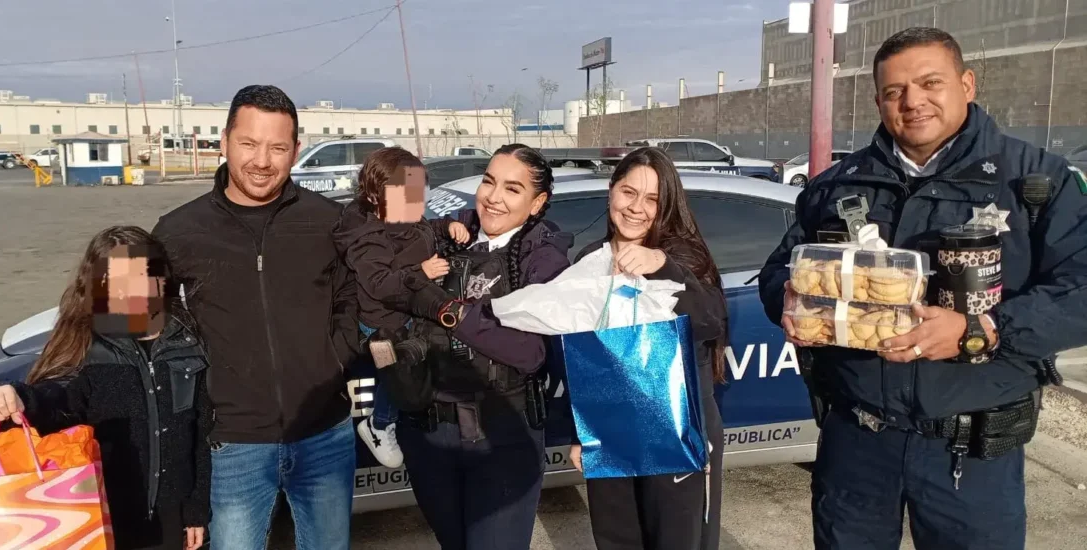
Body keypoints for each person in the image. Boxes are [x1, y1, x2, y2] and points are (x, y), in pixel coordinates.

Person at [757, 27, 1087, 550]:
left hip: (971, 456)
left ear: (967, 84)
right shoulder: (838, 185)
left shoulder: (1035, 182)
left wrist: (981, 328)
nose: (912, 101)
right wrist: (793, 303)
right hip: (857, 443)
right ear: (878, 101)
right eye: (894, 91)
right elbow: (780, 269)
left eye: (930, 83)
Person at [151, 85, 360, 550]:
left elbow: (352, 298)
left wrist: (336, 361)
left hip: (325, 435)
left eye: (278, 148)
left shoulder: (329, 221)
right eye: (249, 143)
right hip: (232, 443)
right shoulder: (178, 231)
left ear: (296, 151)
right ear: (224, 141)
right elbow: (143, 326)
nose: (262, 161)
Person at [372, 144, 573, 549]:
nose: (494, 197)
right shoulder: (443, 234)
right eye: (489, 182)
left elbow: (530, 352)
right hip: (428, 435)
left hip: (503, 436)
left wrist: (450, 311)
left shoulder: (543, 259)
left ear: (537, 203)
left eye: (512, 189)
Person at [0, 226, 211, 550]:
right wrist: (11, 399)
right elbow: (54, 399)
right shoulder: (86, 346)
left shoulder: (186, 340)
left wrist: (195, 509)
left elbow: (200, 433)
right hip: (99, 513)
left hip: (169, 517)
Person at [563, 147, 728, 550]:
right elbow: (585, 360)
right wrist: (580, 431)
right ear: (611, 191)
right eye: (628, 192)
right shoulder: (591, 259)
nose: (637, 208)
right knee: (616, 538)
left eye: (652, 199)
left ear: (666, 205)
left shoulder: (684, 258)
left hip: (677, 426)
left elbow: (710, 322)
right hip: (610, 426)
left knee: (678, 540)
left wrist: (663, 267)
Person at [332, 146, 469, 468]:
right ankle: (379, 425)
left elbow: (423, 229)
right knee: (396, 374)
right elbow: (379, 284)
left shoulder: (400, 214)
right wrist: (421, 272)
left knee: (408, 372)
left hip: (407, 315)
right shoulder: (366, 237)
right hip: (380, 328)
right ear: (376, 195)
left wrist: (447, 226)